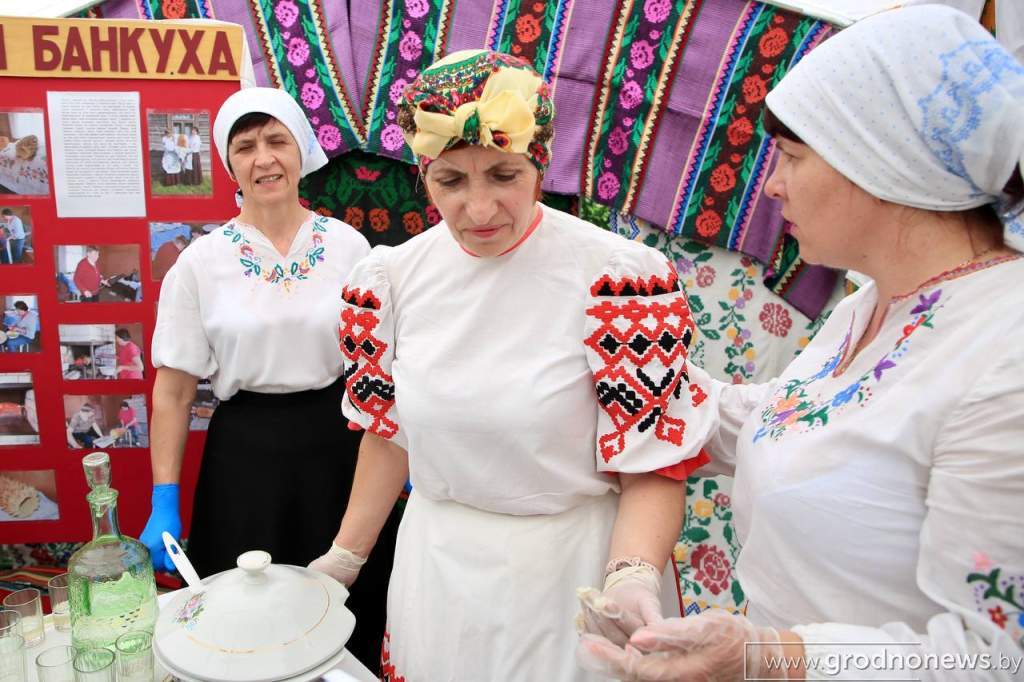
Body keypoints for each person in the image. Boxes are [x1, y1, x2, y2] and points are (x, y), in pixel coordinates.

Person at [575, 7, 1024, 681]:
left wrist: (770, 655)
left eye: (790, 158)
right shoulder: (871, 305)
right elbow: (774, 418)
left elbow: (995, 659)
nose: (772, 184)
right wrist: (603, 359)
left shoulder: (1005, 361)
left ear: (878, 161)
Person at [307, 50, 713, 681]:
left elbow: (653, 461)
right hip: (438, 573)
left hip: (571, 576)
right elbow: (389, 438)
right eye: (450, 182)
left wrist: (633, 574)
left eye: (503, 175)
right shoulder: (387, 282)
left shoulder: (620, 281)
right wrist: (343, 559)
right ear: (423, 174)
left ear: (540, 164)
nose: (479, 210)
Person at [142, 87, 399, 671]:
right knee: (244, 620)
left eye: (277, 141)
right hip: (245, 456)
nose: (264, 158)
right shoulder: (200, 262)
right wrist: (165, 495)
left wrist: (397, 455)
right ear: (229, 163)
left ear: (301, 150)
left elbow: (375, 362)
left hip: (342, 447)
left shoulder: (347, 246)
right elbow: (175, 388)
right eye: (246, 146)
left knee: (352, 608)